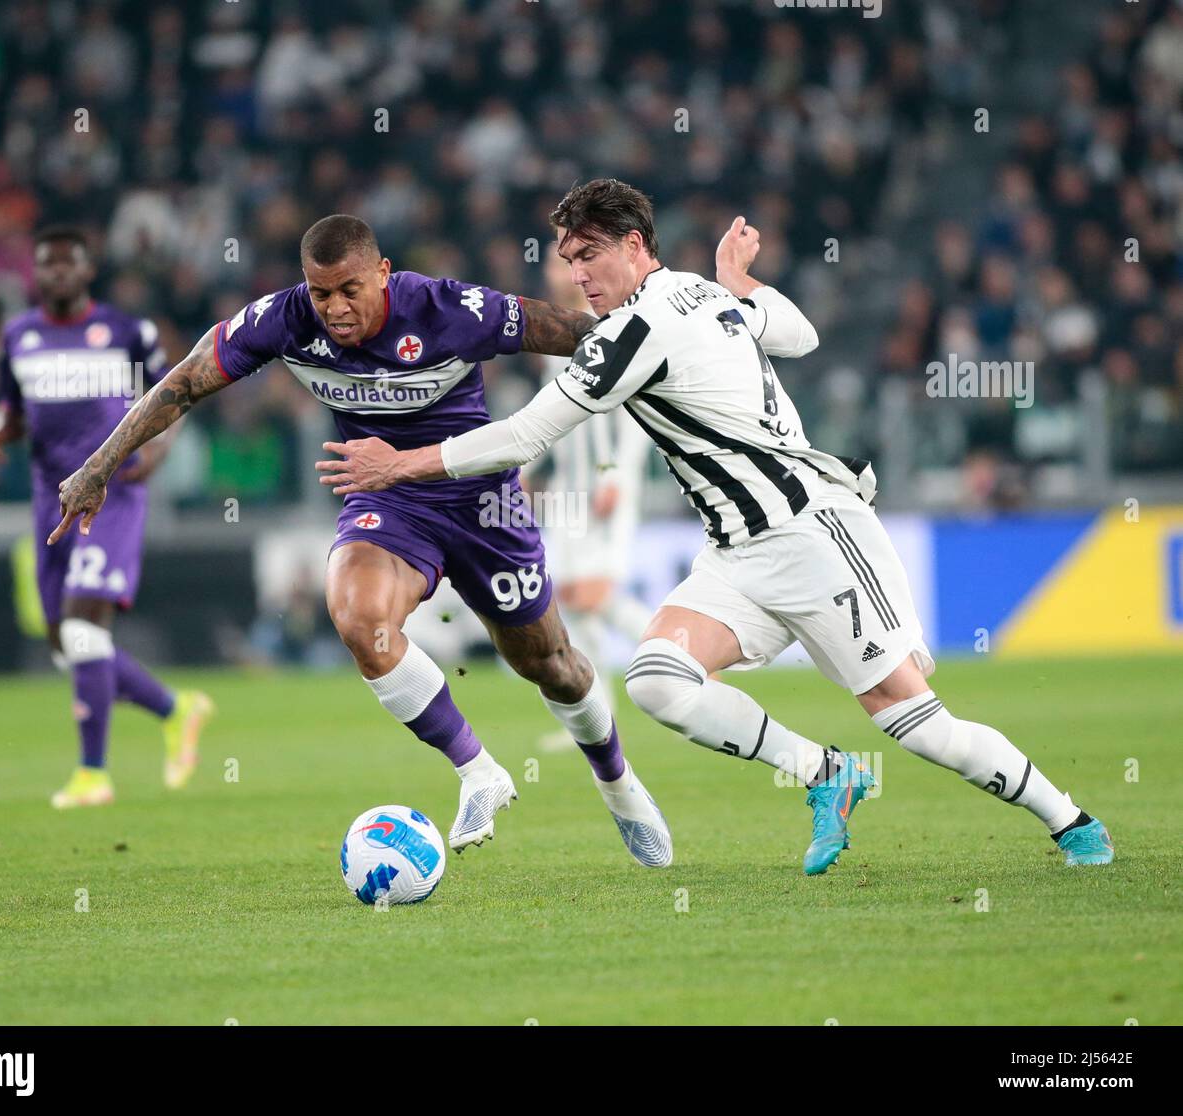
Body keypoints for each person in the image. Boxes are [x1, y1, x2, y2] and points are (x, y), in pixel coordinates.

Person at [314, 179, 1114, 874]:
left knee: (915, 722)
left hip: (813, 533)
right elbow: (798, 333)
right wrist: (742, 286)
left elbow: (525, 434)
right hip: (738, 554)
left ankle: (1072, 821)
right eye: (568, 257)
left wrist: (401, 465)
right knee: (658, 680)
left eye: (590, 253)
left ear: (634, 246)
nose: (577, 274)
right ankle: (825, 773)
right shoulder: (695, 291)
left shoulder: (638, 330)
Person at [49, 214, 674, 867]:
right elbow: (181, 383)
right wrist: (98, 468)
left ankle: (621, 788)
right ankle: (479, 772)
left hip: (480, 497)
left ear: (383, 273)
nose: (334, 309)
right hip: (384, 495)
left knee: (549, 664)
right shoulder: (282, 321)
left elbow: (581, 335)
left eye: (349, 290)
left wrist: (679, 354)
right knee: (357, 616)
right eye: (320, 294)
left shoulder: (449, 309)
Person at [0, 226, 213, 809]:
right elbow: (12, 407)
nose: (56, 273)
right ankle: (174, 708)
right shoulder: (18, 335)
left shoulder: (129, 331)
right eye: (46, 264)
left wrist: (158, 449)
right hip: (46, 497)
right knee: (66, 645)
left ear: (88, 271)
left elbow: (175, 391)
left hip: (111, 493)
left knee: (84, 632)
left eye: (68, 263)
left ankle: (93, 775)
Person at [533, 253, 654, 752]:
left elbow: (625, 409)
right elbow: (555, 416)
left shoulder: (609, 326)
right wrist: (531, 472)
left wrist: (613, 475)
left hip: (606, 484)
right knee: (571, 600)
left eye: (564, 265)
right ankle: (596, 715)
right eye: (551, 266)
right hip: (569, 488)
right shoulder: (554, 335)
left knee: (593, 594)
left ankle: (685, 657)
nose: (556, 274)